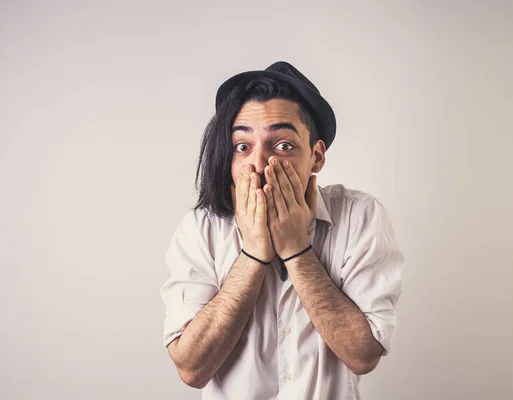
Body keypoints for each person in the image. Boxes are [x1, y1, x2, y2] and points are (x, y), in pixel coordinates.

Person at [160, 61, 404, 400]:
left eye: (283, 146)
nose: (259, 164)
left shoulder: (360, 217)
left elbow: (363, 356)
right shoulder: (202, 228)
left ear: (316, 157)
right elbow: (191, 368)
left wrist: (297, 250)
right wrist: (253, 253)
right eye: (242, 146)